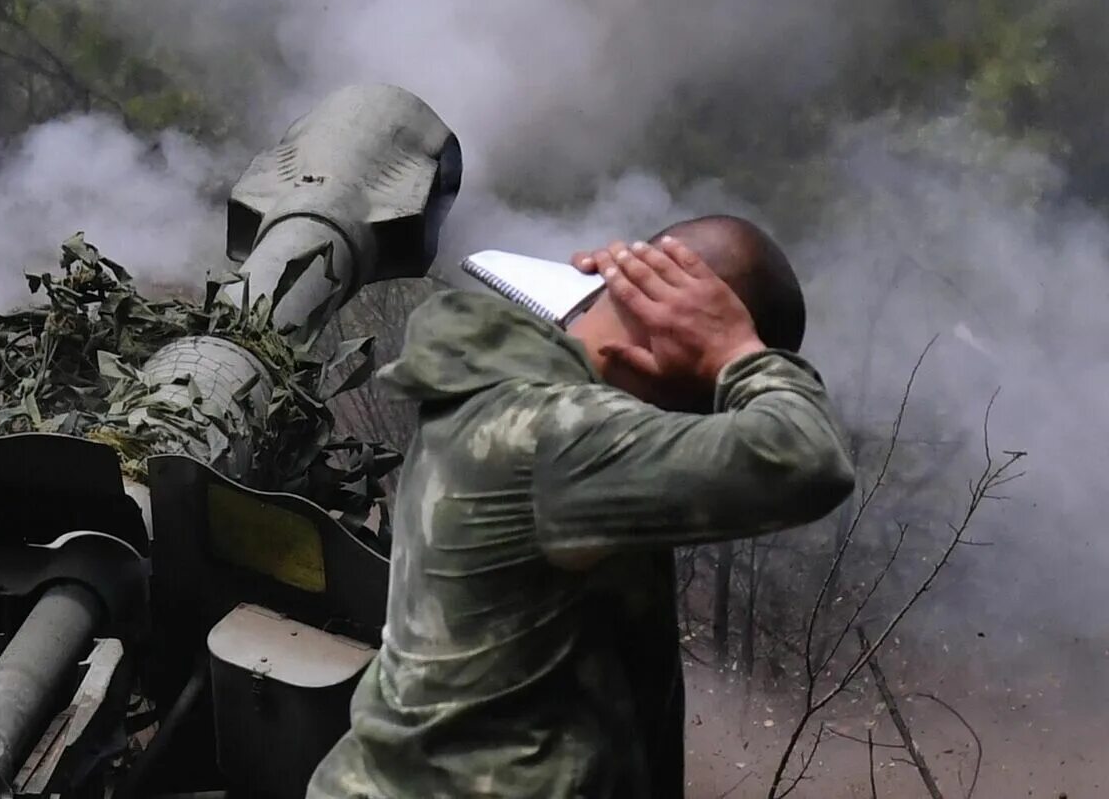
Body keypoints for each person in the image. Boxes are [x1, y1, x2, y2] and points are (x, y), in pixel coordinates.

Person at [306, 215, 855, 799]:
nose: (704, 418)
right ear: (670, 327)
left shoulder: (511, 396)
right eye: (707, 391)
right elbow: (805, 459)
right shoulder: (558, 439)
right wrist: (739, 352)